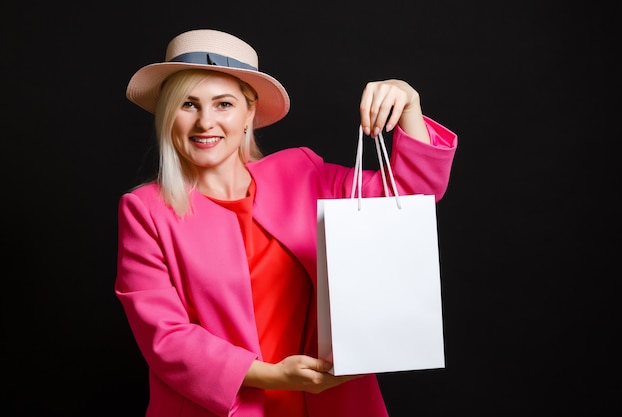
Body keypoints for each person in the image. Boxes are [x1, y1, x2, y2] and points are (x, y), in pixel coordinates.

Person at [115, 28, 458, 417]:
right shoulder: (145, 210)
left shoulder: (302, 172)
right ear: (167, 115)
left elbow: (410, 196)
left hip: (335, 401)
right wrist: (273, 376)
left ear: (249, 114)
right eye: (189, 104)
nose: (205, 122)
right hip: (223, 406)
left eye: (223, 104)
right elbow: (166, 337)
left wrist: (407, 103)